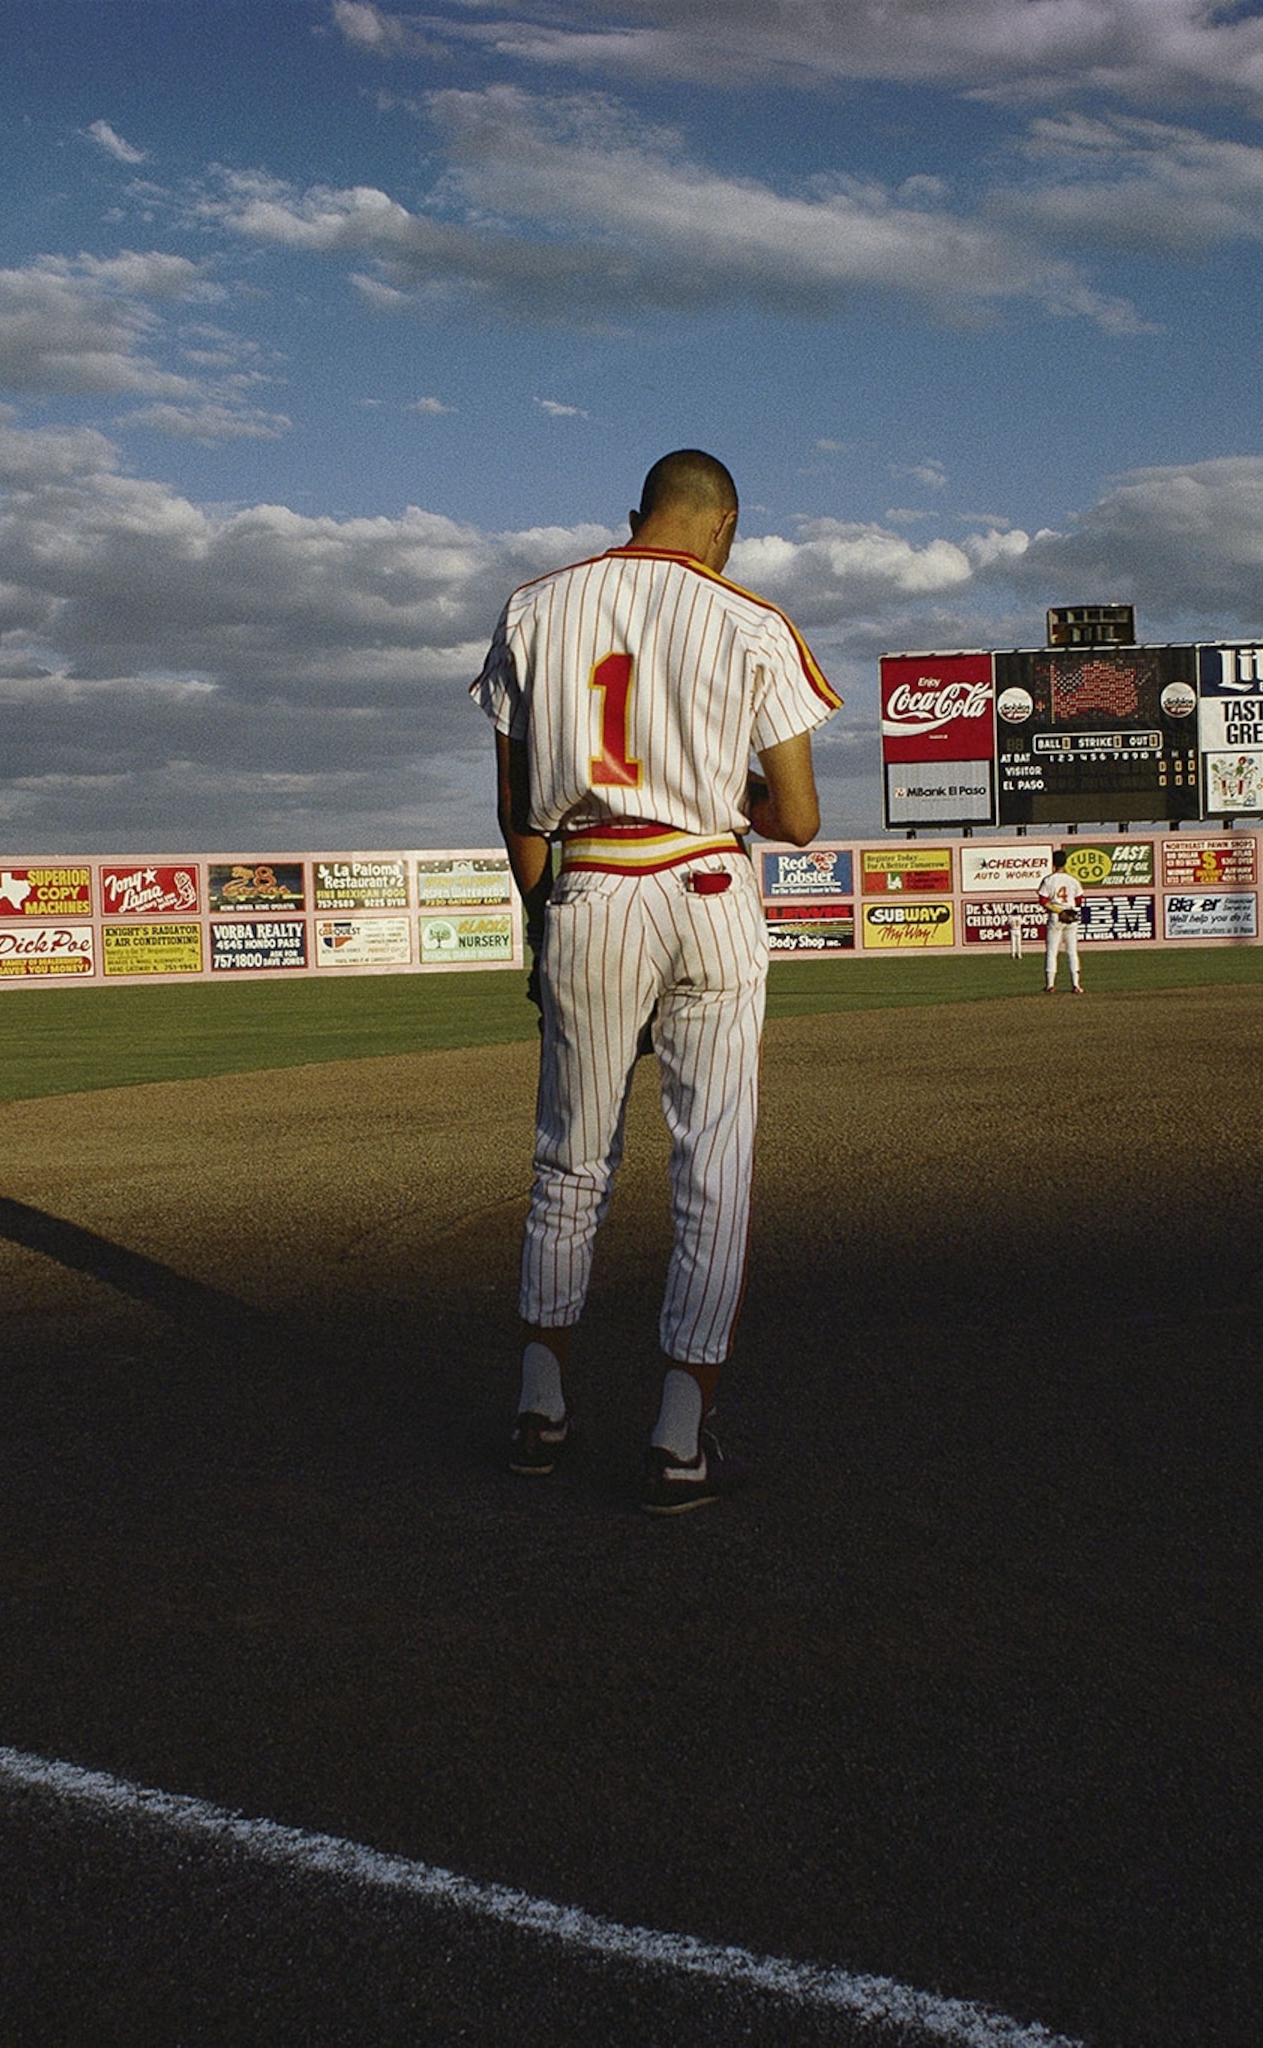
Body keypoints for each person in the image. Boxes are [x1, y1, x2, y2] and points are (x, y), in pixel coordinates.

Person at [472, 449, 838, 1513]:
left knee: (571, 1158)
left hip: (592, 888)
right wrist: (741, 791)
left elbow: (516, 809)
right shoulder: (753, 618)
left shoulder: (535, 606)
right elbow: (802, 819)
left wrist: (546, 930)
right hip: (709, 885)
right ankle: (681, 1433)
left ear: (636, 515)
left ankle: (541, 1404)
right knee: (711, 1165)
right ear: (724, 525)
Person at [1035, 864, 1086, 991]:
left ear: (1053, 865)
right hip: (1070, 915)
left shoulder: (1049, 880)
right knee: (1072, 951)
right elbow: (1079, 900)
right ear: (1065, 864)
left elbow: (1042, 900)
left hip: (1056, 915)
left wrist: (1058, 910)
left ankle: (1050, 985)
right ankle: (1076, 985)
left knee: (1052, 952)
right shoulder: (1072, 880)